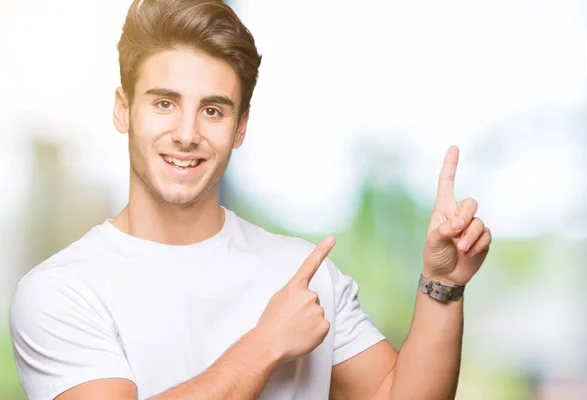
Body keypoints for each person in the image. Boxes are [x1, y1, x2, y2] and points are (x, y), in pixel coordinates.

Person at [8, 0, 492, 399]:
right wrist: (266, 344)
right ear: (123, 109)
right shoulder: (62, 291)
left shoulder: (305, 274)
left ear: (240, 127)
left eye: (213, 110)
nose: (187, 133)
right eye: (164, 103)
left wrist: (442, 286)